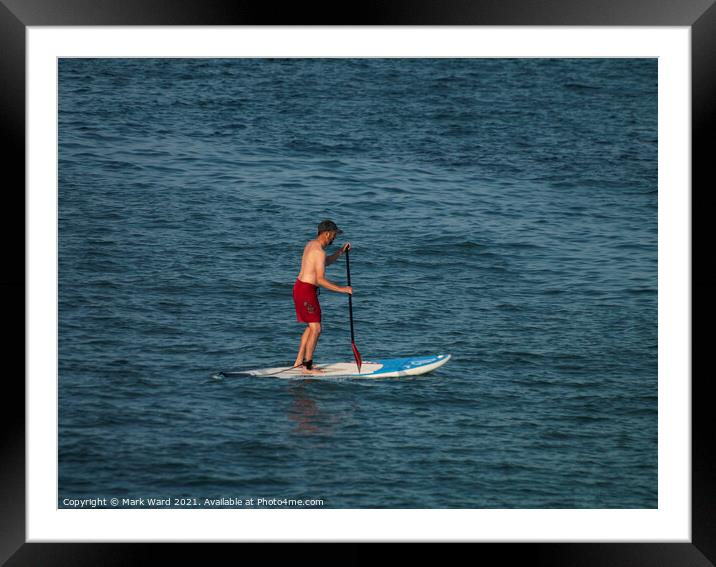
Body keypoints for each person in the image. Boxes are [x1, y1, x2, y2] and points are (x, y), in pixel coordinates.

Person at [292, 220, 352, 374]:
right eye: (333, 235)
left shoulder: (311, 245)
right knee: (317, 328)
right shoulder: (318, 251)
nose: (334, 238)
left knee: (310, 326)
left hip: (300, 288)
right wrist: (342, 289)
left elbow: (325, 262)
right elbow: (319, 279)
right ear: (326, 234)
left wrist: (340, 252)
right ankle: (308, 366)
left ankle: (299, 362)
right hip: (306, 291)